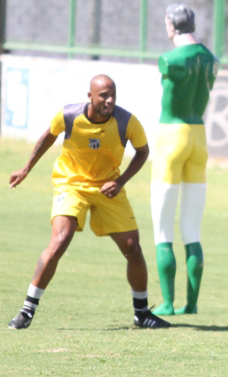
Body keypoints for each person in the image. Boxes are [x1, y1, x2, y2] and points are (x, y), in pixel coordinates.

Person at [7, 75, 170, 329]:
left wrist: (121, 181)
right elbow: (48, 136)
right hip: (71, 184)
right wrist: (26, 168)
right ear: (90, 96)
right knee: (60, 239)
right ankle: (27, 310)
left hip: (108, 186)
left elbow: (143, 152)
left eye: (113, 94)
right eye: (104, 95)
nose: (110, 100)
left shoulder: (126, 121)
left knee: (133, 248)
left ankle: (141, 313)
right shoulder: (70, 116)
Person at [150, 3, 219, 316]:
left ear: (170, 24)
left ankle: (167, 302)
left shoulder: (168, 59)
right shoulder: (211, 59)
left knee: (163, 229)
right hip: (198, 137)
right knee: (192, 230)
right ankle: (191, 303)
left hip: (171, 135)